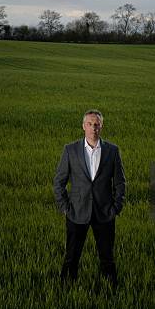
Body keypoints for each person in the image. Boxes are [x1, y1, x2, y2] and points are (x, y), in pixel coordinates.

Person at [53, 109, 126, 287]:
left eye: (97, 124)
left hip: (104, 212)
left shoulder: (112, 151)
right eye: (90, 124)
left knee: (107, 257)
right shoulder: (70, 150)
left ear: (102, 127)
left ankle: (111, 291)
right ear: (83, 126)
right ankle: (65, 289)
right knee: (71, 256)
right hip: (77, 212)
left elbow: (120, 182)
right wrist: (65, 207)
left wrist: (116, 207)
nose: (94, 128)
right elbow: (59, 181)